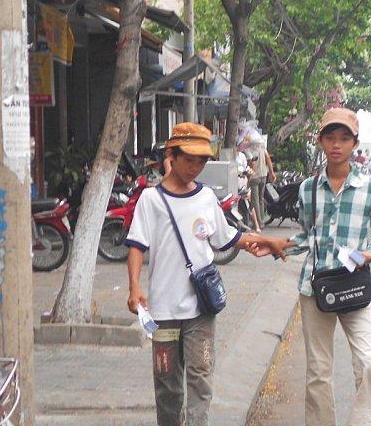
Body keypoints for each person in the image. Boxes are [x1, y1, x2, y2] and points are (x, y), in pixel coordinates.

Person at [125, 122, 293, 426]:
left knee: (200, 377)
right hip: (162, 311)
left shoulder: (205, 198)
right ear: (171, 156)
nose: (195, 167)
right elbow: (136, 245)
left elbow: (230, 238)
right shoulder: (150, 200)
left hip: (201, 310)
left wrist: (267, 240)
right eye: (189, 159)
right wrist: (134, 287)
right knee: (167, 383)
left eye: (201, 160)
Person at [290, 108, 371, 425]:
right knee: (318, 371)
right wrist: (280, 245)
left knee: (369, 360)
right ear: (320, 141)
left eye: (344, 138)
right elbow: (310, 234)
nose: (337, 145)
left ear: (354, 143)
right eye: (331, 138)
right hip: (315, 286)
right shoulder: (308, 188)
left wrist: (370, 253)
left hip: (355, 286)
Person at [249, 141, 276, 228]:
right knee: (261, 199)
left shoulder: (250, 149)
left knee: (255, 200)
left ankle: (258, 223)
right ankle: (262, 221)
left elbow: (252, 163)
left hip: (254, 176)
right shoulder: (262, 147)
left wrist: (249, 177)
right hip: (263, 175)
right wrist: (272, 173)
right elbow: (268, 159)